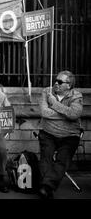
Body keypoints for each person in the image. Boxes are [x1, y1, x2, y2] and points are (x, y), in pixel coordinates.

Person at [38, 70, 83, 199]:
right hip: (48, 132)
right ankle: (47, 188)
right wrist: (65, 114)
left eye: (60, 82)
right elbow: (44, 113)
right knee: (46, 158)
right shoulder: (47, 91)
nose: (55, 84)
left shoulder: (76, 96)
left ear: (68, 86)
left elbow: (74, 114)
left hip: (69, 135)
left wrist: (54, 104)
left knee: (62, 160)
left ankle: (46, 187)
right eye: (55, 81)